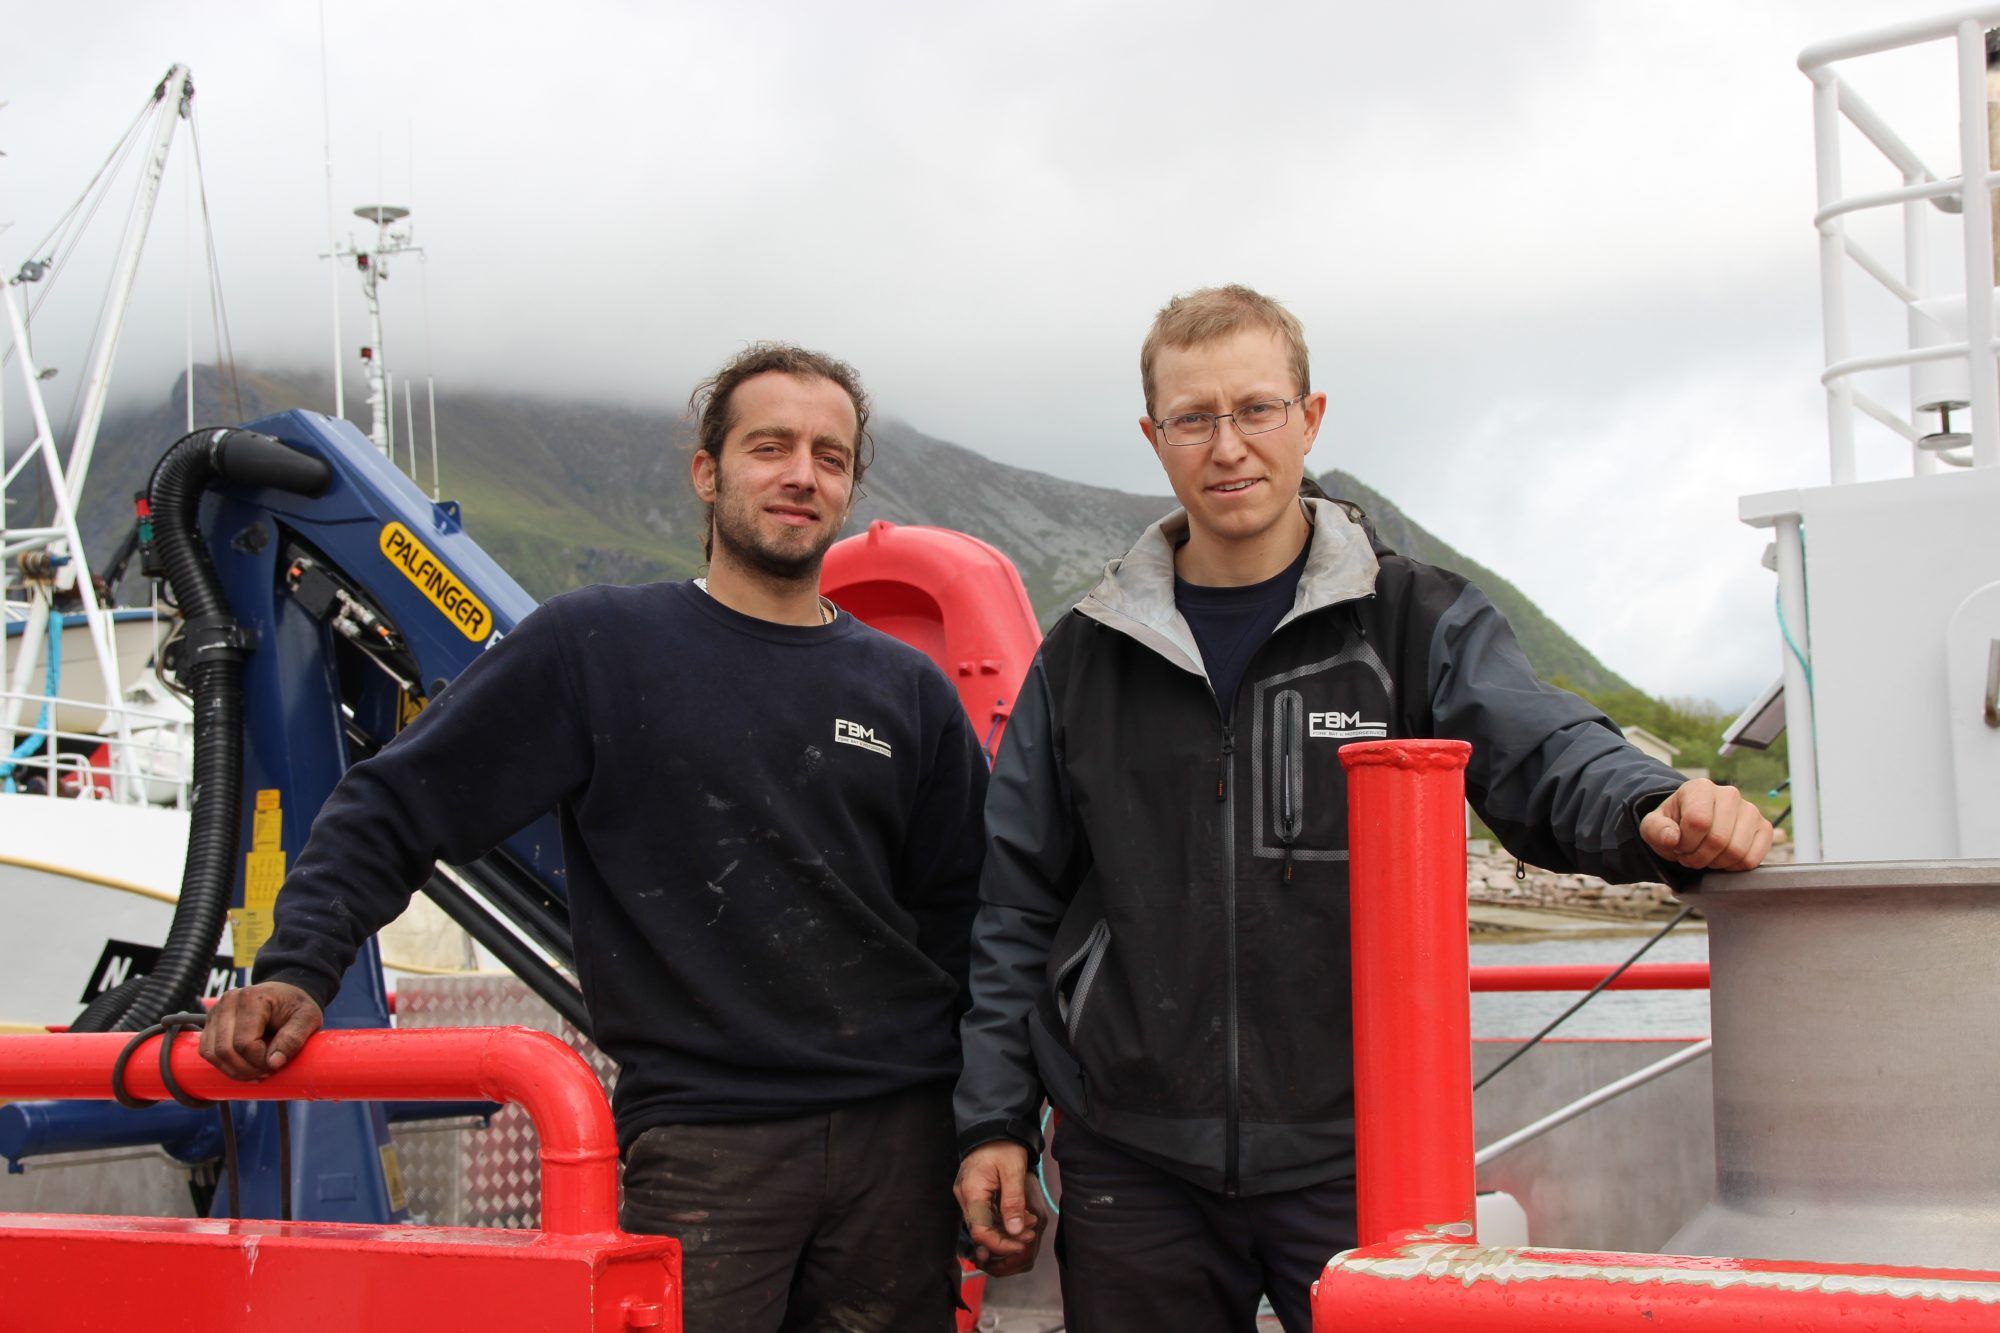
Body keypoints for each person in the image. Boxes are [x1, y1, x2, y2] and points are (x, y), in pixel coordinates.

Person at [950, 285, 1773, 1332]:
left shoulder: (1412, 618)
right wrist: (994, 1119)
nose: (1228, 446)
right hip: (1133, 1158)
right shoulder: (1083, 654)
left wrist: (1652, 805)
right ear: (1153, 438)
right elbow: (1016, 906)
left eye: (1256, 408)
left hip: (1365, 1152)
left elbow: (1542, 745)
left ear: (1310, 417)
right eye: (1193, 418)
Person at [202, 343, 990, 1333]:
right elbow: (395, 803)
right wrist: (299, 968)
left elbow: (973, 919)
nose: (801, 474)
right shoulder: (599, 647)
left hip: (900, 1146)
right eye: (770, 446)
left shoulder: (905, 689)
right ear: (707, 472)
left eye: (828, 457)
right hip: (707, 1147)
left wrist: (990, 1124)